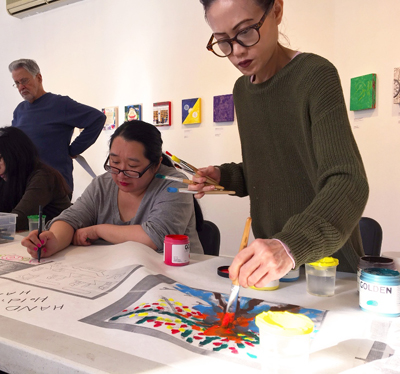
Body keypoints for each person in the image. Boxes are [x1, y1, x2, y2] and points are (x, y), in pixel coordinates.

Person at [192, 0, 369, 287]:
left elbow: (347, 180)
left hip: (326, 269)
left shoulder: (314, 75)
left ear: (276, 10)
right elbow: (274, 168)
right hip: (274, 269)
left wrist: (289, 246)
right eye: (223, 42)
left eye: (246, 31)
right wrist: (226, 176)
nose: (236, 52)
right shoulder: (242, 90)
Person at [21, 120, 203, 259]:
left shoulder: (174, 183)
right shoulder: (103, 185)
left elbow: (154, 237)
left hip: (175, 279)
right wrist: (54, 240)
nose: (121, 175)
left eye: (132, 166)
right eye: (115, 162)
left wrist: (97, 230)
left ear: (156, 165)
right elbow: (70, 218)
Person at [9, 58, 106, 194]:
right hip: (25, 185)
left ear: (38, 77)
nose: (21, 87)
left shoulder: (60, 104)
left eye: (24, 81)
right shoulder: (20, 110)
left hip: (54, 186)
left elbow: (97, 118)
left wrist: (73, 150)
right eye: (17, 83)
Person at [0, 127, 71, 231]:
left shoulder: (43, 177)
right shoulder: (7, 177)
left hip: (55, 242)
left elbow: (19, 220)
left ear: (15, 155)